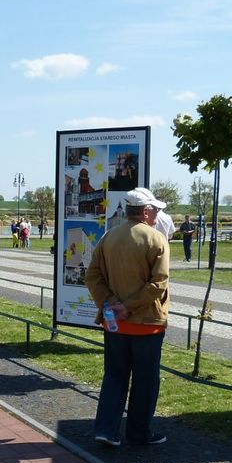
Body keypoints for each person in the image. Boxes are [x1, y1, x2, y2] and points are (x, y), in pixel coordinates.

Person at [84, 187, 170, 446]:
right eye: (154, 210)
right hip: (147, 324)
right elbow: (159, 284)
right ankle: (138, 432)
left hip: (115, 323)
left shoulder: (108, 237)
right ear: (145, 212)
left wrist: (111, 304)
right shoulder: (156, 240)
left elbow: (92, 276)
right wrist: (130, 306)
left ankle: (106, 430)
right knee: (145, 380)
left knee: (114, 377)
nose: (156, 214)